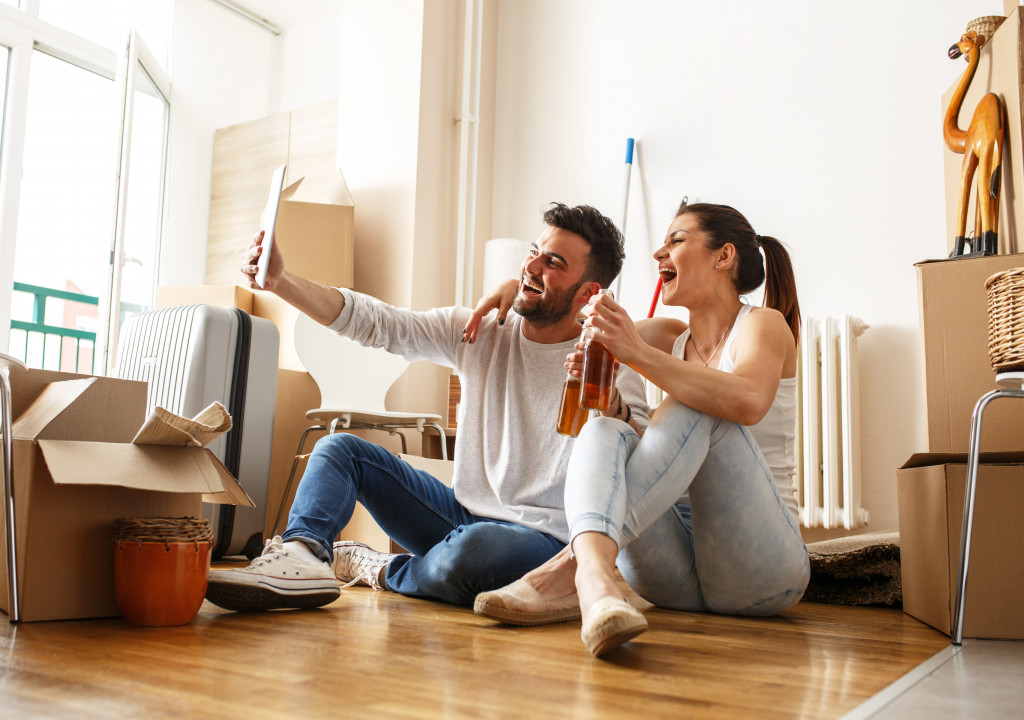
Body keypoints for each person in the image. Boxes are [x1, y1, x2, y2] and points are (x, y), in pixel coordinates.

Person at [204, 202, 650, 612]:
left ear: (588, 291)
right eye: (535, 252)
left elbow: (649, 457)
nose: (531, 266)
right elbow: (381, 324)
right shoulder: (482, 329)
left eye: (553, 263)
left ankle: (376, 567)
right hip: (459, 513)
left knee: (474, 554)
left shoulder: (611, 359)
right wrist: (282, 281)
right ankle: (302, 556)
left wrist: (616, 410)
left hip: (544, 539)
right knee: (340, 450)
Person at [464, 200, 809, 657]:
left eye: (677, 241)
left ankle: (569, 571)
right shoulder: (669, 335)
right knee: (605, 426)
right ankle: (598, 583)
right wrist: (519, 286)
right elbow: (580, 315)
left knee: (694, 406)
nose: (658, 254)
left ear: (723, 257)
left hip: (762, 570)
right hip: (673, 580)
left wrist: (638, 355)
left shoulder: (762, 325)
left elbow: (746, 401)